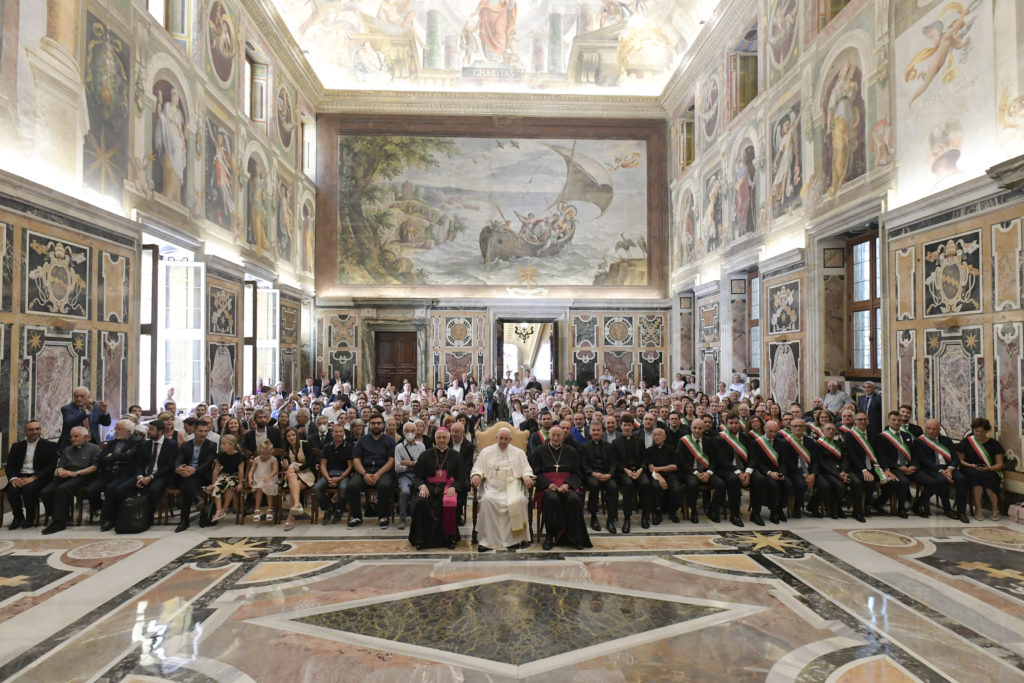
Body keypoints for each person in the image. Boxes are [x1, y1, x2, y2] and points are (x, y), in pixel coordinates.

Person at [471, 427, 534, 552]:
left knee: (519, 500)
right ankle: (487, 541)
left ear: (510, 440)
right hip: (492, 486)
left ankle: (515, 540)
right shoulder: (486, 452)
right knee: (487, 500)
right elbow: (477, 469)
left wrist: (527, 476)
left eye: (506, 439)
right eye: (501, 438)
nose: (503, 441)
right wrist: (477, 476)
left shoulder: (519, 453)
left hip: (513, 486)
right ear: (496, 438)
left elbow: (526, 469)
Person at [533, 426, 592, 550]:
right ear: (548, 435)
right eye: (553, 435)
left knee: (574, 499)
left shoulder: (571, 451)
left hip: (567, 485)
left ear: (563, 437)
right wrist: (548, 484)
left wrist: (568, 484)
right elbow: (535, 473)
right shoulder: (539, 451)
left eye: (558, 435)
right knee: (552, 499)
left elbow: (577, 472)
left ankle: (575, 537)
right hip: (547, 486)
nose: (555, 438)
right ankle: (550, 536)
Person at [409, 427, 464, 550]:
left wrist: (454, 487)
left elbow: (461, 478)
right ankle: (421, 539)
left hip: (447, 487)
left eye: (444, 437)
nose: (441, 440)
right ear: (435, 439)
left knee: (448, 502)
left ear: (449, 439)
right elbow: (417, 477)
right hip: (428, 487)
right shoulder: (425, 455)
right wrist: (422, 486)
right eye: (439, 437)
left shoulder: (456, 456)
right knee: (420, 502)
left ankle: (449, 538)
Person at [41, 427, 100, 534]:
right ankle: (56, 515)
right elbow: (60, 465)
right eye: (71, 436)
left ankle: (59, 522)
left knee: (62, 489)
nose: (72, 439)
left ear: (86, 437)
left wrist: (76, 473)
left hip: (83, 476)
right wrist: (60, 471)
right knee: (46, 492)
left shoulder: (94, 448)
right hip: (65, 475)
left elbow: (94, 467)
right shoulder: (68, 449)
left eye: (76, 436)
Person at [4, 420, 59, 529]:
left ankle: (30, 518)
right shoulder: (17, 446)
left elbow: (51, 466)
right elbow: (9, 466)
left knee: (28, 489)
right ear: (25, 431)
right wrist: (14, 478)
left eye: (37, 429)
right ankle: (18, 517)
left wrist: (34, 477)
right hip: (20, 476)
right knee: (12, 490)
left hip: (39, 477)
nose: (35, 432)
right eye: (31, 430)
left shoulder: (50, 446)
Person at [912, 418, 969, 523]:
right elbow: (924, 460)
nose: (931, 431)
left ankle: (962, 512)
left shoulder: (946, 440)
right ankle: (947, 509)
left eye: (934, 429)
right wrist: (941, 471)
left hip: (948, 468)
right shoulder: (919, 441)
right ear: (925, 428)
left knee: (962, 479)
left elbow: (955, 458)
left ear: (939, 430)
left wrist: (950, 469)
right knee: (941, 480)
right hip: (931, 468)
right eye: (928, 428)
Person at [347, 413, 397, 528]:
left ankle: (383, 516)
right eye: (373, 423)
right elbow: (356, 460)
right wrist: (364, 474)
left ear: (383, 425)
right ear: (369, 425)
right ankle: (356, 516)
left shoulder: (390, 441)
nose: (376, 426)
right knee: (353, 485)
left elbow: (391, 461)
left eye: (378, 423)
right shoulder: (362, 440)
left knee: (384, 486)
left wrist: (378, 474)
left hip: (383, 471)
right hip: (364, 470)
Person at [715, 412, 763, 526]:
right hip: (727, 470)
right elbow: (722, 461)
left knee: (760, 480)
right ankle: (734, 515)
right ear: (726, 424)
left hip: (746, 470)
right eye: (731, 423)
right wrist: (738, 473)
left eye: (736, 423)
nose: (734, 425)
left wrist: (748, 472)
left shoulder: (746, 437)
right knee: (734, 480)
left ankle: (756, 514)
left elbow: (753, 457)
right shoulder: (719, 438)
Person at [95, 420, 141, 531]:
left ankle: (109, 519)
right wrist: (116, 457)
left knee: (111, 488)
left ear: (128, 431)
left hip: (126, 473)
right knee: (93, 489)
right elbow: (101, 457)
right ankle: (99, 512)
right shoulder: (112, 442)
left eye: (119, 429)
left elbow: (129, 457)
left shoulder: (136, 442)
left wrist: (113, 456)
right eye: (116, 428)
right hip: (109, 472)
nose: (116, 431)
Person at [174, 421, 218, 532]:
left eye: (206, 431)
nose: (203, 434)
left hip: (202, 475)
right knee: (187, 481)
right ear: (194, 431)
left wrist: (194, 470)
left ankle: (184, 520)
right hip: (186, 474)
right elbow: (178, 459)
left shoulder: (211, 445)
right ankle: (196, 501)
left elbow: (208, 463)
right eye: (200, 431)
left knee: (186, 485)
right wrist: (178, 468)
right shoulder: (185, 445)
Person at [679, 418, 723, 524]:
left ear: (704, 429)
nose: (697, 431)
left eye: (700, 428)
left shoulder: (709, 441)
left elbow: (714, 460)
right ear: (691, 428)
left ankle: (711, 510)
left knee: (721, 485)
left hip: (706, 471)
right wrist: (695, 472)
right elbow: (681, 462)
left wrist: (709, 472)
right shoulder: (684, 441)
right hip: (690, 472)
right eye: (695, 428)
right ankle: (693, 511)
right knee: (692, 485)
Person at [958, 418, 1004, 521]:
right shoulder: (967, 442)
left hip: (989, 469)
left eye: (982, 431)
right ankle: (978, 509)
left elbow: (1000, 464)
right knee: (976, 477)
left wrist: (990, 468)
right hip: (970, 469)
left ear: (987, 431)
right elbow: (960, 460)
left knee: (990, 477)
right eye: (976, 431)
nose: (979, 433)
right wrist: (971, 465)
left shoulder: (994, 444)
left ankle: (995, 509)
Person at [613, 416, 651, 532]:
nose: (627, 427)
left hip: (638, 470)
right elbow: (615, 462)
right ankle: (627, 518)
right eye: (625, 425)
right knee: (628, 485)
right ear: (621, 427)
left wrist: (641, 469)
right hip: (623, 472)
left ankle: (645, 516)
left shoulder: (639, 441)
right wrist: (625, 470)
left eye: (629, 425)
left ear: (633, 427)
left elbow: (645, 460)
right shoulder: (616, 442)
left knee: (645, 483)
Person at [134, 419, 178, 520]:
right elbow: (139, 464)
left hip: (161, 475)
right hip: (144, 475)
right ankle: (128, 516)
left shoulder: (171, 444)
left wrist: (151, 477)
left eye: (152, 429)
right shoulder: (144, 445)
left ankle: (148, 517)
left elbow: (169, 466)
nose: (148, 431)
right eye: (149, 429)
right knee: (123, 487)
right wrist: (140, 476)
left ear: (160, 431)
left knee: (154, 489)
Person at [581, 420, 619, 534]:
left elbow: (614, 463)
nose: (596, 432)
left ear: (602, 431)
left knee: (613, 487)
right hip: (591, 475)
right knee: (594, 485)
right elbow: (583, 464)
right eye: (594, 430)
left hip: (606, 474)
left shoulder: (609, 446)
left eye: (598, 430)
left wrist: (610, 474)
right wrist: (593, 473)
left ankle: (610, 519)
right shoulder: (584, 446)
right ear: (590, 432)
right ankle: (594, 517)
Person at [875, 411, 912, 518]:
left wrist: (914, 466)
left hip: (908, 466)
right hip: (893, 467)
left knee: (930, 480)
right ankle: (901, 509)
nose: (896, 422)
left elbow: (913, 453)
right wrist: (898, 467)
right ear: (888, 421)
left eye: (899, 420)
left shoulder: (906, 436)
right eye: (894, 420)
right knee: (903, 481)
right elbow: (882, 456)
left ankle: (916, 505)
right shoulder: (882, 436)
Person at [314, 424, 353, 525]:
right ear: (332, 434)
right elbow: (323, 465)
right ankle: (328, 508)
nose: (338, 434)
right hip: (329, 474)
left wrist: (340, 478)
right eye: (336, 432)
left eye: (341, 431)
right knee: (317, 488)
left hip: (343, 475)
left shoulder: (349, 447)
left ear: (344, 433)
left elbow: (350, 466)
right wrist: (328, 478)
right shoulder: (327, 447)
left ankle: (339, 510)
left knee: (344, 488)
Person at [281, 426, 317, 530]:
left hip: (307, 472)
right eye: (289, 436)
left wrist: (298, 467)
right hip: (293, 475)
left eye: (293, 435)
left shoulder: (304, 444)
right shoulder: (287, 448)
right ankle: (297, 504)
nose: (291, 438)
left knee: (293, 487)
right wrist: (285, 467)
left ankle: (290, 518)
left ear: (297, 435)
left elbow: (311, 462)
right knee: (291, 475)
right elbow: (286, 466)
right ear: (286, 438)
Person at [751, 420, 788, 524]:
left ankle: (780, 509)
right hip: (763, 472)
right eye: (770, 431)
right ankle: (773, 511)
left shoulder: (782, 443)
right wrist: (769, 473)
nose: (773, 434)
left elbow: (784, 462)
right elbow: (756, 462)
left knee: (788, 484)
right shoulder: (756, 443)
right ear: (764, 429)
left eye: (775, 431)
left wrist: (782, 473)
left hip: (778, 471)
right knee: (773, 485)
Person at [645, 427, 682, 525]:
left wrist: (658, 469)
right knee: (657, 487)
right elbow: (651, 469)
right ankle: (658, 514)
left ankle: (673, 512)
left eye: (659, 435)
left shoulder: (671, 449)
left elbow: (674, 467)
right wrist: (660, 477)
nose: (656, 437)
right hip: (655, 476)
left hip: (671, 475)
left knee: (676, 489)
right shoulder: (649, 450)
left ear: (664, 437)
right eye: (655, 435)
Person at [58, 387, 110, 451]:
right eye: (76, 396)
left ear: (88, 397)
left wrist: (105, 412)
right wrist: (87, 411)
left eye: (82, 396)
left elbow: (106, 423)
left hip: (92, 444)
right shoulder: (67, 409)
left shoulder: (95, 408)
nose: (79, 399)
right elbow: (70, 422)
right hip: (72, 445)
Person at [208, 434, 245, 523]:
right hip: (225, 475)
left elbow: (241, 471)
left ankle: (224, 509)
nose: (221, 446)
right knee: (217, 486)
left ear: (232, 445)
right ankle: (218, 510)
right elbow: (216, 470)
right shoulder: (221, 455)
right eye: (221, 444)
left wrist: (240, 483)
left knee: (231, 486)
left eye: (224, 444)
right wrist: (213, 483)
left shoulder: (240, 455)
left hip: (235, 476)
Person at [395, 421, 425, 529]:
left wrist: (408, 463)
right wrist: (413, 464)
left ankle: (419, 518)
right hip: (404, 475)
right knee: (405, 492)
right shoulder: (398, 448)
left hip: (418, 475)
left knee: (421, 492)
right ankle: (402, 518)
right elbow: (398, 468)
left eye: (412, 431)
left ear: (416, 432)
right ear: (403, 432)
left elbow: (423, 465)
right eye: (407, 431)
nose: (410, 433)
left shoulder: (421, 446)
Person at [249, 441, 280, 522]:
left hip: (270, 479)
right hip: (259, 478)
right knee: (260, 488)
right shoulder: (256, 460)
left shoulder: (273, 460)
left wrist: (269, 476)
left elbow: (275, 470)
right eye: (263, 453)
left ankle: (270, 509)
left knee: (268, 488)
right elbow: (251, 471)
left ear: (271, 453)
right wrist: (250, 478)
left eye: (267, 454)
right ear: (260, 452)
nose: (265, 456)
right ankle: (257, 509)